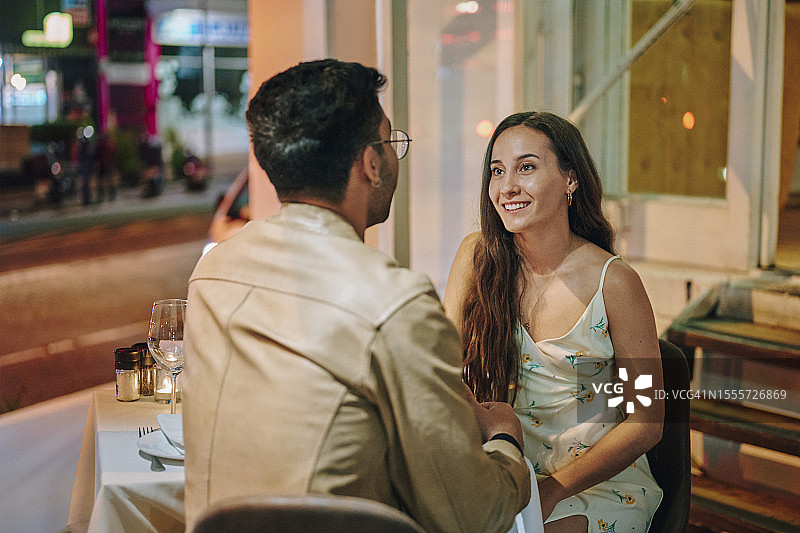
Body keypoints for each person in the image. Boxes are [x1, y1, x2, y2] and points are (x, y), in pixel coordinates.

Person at [183, 59, 530, 533]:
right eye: (391, 141)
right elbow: (475, 515)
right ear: (371, 162)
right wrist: (505, 440)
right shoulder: (395, 303)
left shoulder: (212, 272)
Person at [444, 111, 664, 533]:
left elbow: (646, 422)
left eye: (526, 167)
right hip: (505, 467)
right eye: (497, 170)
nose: (507, 186)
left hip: (594, 481)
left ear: (571, 180)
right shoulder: (478, 258)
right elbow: (440, 369)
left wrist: (551, 490)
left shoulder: (614, 283)